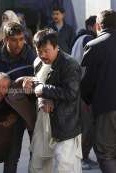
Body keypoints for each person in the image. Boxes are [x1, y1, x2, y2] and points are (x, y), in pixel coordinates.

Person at [23, 28, 82, 173]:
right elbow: (38, 88)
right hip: (42, 122)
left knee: (66, 166)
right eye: (39, 50)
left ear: (56, 47)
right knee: (37, 165)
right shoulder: (37, 62)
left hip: (65, 124)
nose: (42, 55)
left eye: (46, 50)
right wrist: (29, 87)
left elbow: (71, 93)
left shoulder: (70, 64)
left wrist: (44, 91)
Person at [0, 22, 36, 173]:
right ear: (6, 39)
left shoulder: (32, 56)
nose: (19, 43)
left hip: (31, 109)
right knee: (12, 154)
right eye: (14, 40)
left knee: (37, 152)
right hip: (8, 111)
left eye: (21, 39)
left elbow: (41, 82)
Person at [80, 9, 116, 173]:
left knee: (105, 153)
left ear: (98, 26)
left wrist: (86, 100)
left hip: (106, 108)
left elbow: (87, 82)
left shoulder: (94, 45)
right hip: (107, 107)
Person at [71, 15, 98, 170]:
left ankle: (84, 157)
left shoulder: (80, 38)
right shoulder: (88, 40)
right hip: (83, 90)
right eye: (97, 25)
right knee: (86, 126)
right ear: (90, 26)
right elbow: (88, 68)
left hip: (79, 88)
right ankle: (81, 159)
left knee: (86, 125)